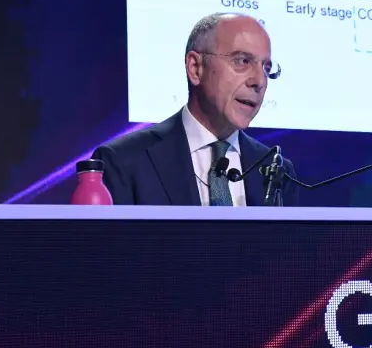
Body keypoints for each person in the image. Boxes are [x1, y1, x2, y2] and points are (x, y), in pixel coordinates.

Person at [92, 13, 297, 206]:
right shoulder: (124, 161)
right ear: (195, 68)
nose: (259, 81)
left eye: (266, 68)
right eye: (242, 61)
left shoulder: (277, 171)